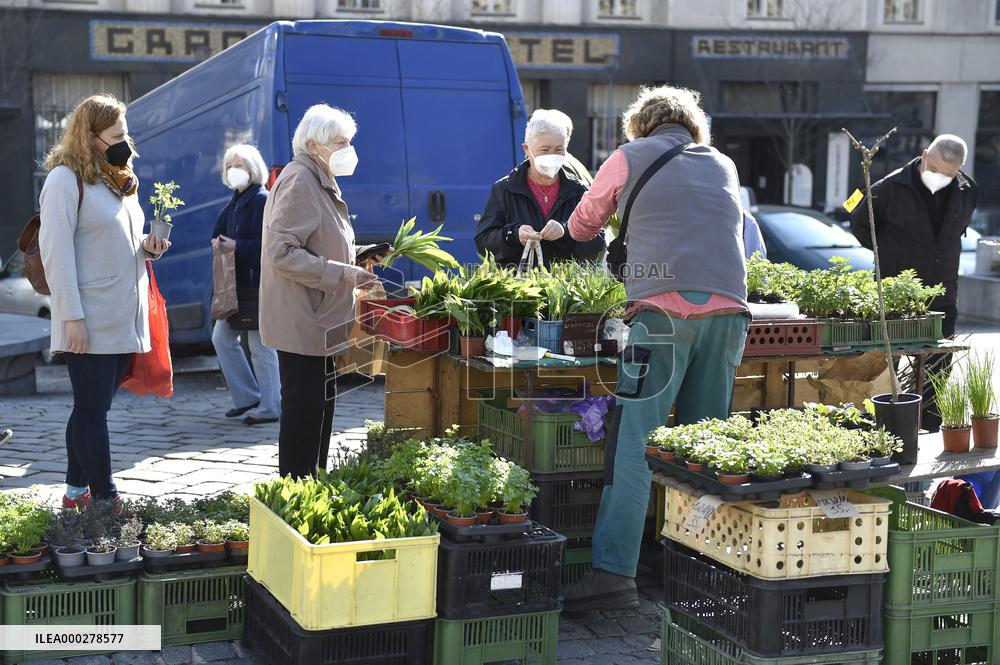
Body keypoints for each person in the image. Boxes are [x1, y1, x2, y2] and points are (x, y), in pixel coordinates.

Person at [561, 85, 750, 611]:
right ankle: (696, 567)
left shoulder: (627, 157)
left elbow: (582, 224)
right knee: (704, 451)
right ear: (693, 127)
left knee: (636, 446)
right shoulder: (724, 165)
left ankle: (612, 574)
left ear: (640, 125)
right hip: (729, 314)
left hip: (661, 314)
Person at [38, 94, 171, 510]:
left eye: (126, 132)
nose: (125, 141)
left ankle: (75, 492)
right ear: (90, 136)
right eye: (116, 134)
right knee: (92, 409)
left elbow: (121, 242)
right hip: (89, 316)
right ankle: (105, 497)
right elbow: (55, 253)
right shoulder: (63, 180)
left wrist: (149, 248)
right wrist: (71, 317)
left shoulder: (121, 179)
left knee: (91, 408)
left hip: (123, 314)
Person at [260, 104, 387, 479]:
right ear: (315, 144)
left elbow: (320, 242)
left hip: (321, 321)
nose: (349, 149)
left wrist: (363, 254)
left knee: (319, 414)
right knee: (304, 418)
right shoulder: (301, 179)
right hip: (302, 321)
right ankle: (296, 495)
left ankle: (311, 487)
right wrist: (343, 274)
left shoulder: (319, 178)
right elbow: (281, 253)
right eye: (340, 142)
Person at [849, 134, 978, 431]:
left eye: (947, 175)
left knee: (937, 369)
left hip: (943, 295)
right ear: (923, 156)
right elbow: (858, 220)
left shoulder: (967, 189)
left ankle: (929, 428)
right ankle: (881, 429)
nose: (938, 179)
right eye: (933, 170)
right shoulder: (887, 188)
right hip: (895, 298)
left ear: (958, 170)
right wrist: (890, 253)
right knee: (885, 368)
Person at [475, 109, 605, 266]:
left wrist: (567, 231)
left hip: (566, 286)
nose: (552, 155)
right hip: (520, 286)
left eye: (559, 149)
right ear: (527, 150)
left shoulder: (579, 190)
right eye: (545, 150)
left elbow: (598, 244)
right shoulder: (504, 189)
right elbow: (483, 242)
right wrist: (514, 234)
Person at [211, 144, 281, 426]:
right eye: (230, 165)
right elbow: (218, 232)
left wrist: (236, 246)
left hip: (256, 286)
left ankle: (270, 406)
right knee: (221, 338)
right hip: (236, 288)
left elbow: (268, 247)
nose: (233, 170)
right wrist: (220, 244)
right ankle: (248, 397)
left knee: (261, 346)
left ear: (253, 169)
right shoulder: (234, 204)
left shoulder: (262, 200)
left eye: (239, 164)